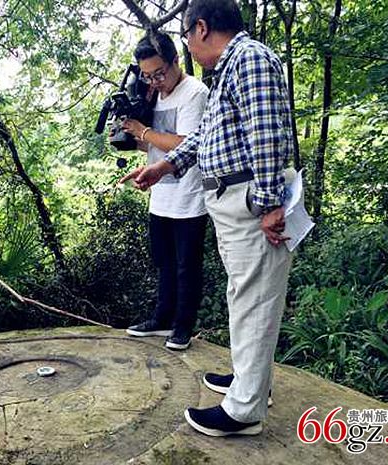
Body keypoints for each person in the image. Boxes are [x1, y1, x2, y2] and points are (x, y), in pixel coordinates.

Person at [120, 0, 293, 436]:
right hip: (232, 199)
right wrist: (165, 166)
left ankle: (244, 412)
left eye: (185, 36)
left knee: (254, 300)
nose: (189, 47)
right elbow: (204, 137)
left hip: (248, 198)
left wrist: (269, 204)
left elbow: (267, 135)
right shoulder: (229, 69)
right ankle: (250, 382)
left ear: (200, 28)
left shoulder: (249, 59)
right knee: (244, 295)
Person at [120, 32, 209, 351]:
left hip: (189, 196)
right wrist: (129, 138)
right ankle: (162, 319)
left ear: (175, 61)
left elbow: (186, 143)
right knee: (164, 262)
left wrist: (143, 131)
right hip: (161, 195)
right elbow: (155, 146)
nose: (155, 81)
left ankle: (183, 327)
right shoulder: (154, 96)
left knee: (187, 266)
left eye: (159, 73)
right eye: (147, 76)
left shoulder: (195, 93)